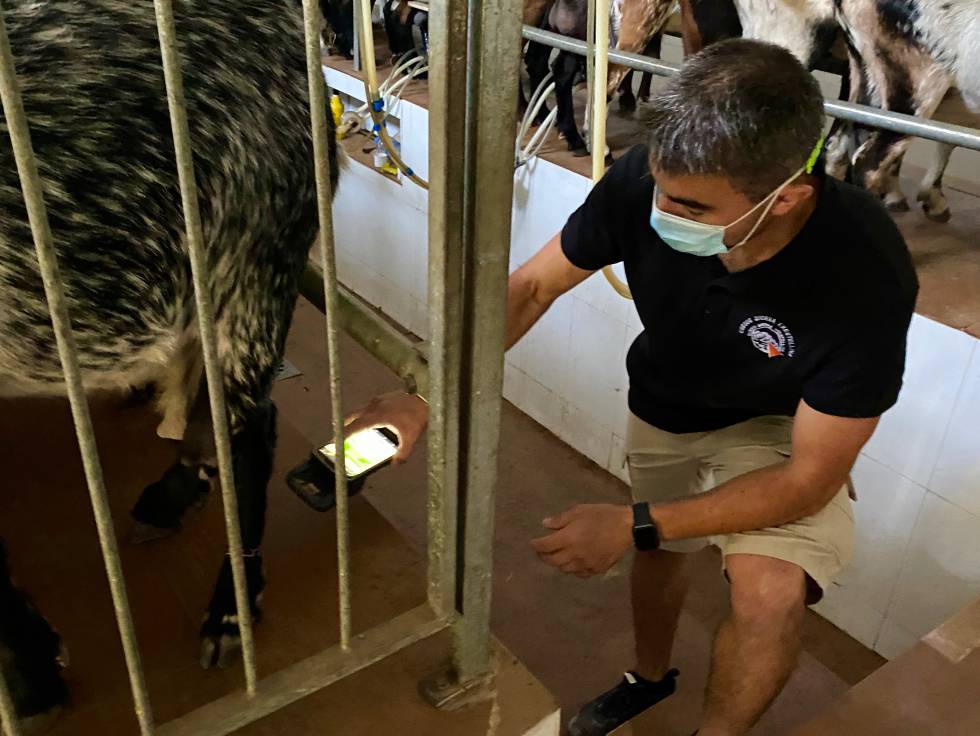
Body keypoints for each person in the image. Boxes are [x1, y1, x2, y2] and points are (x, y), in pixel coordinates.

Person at [345, 38, 917, 736]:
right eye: (658, 188)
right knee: (657, 552)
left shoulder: (864, 274)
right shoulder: (646, 188)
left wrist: (631, 521)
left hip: (779, 427)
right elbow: (528, 288)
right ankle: (647, 677)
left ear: (786, 198)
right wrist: (426, 388)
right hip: (666, 398)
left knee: (767, 591)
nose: (661, 212)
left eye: (690, 207)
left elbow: (807, 482)